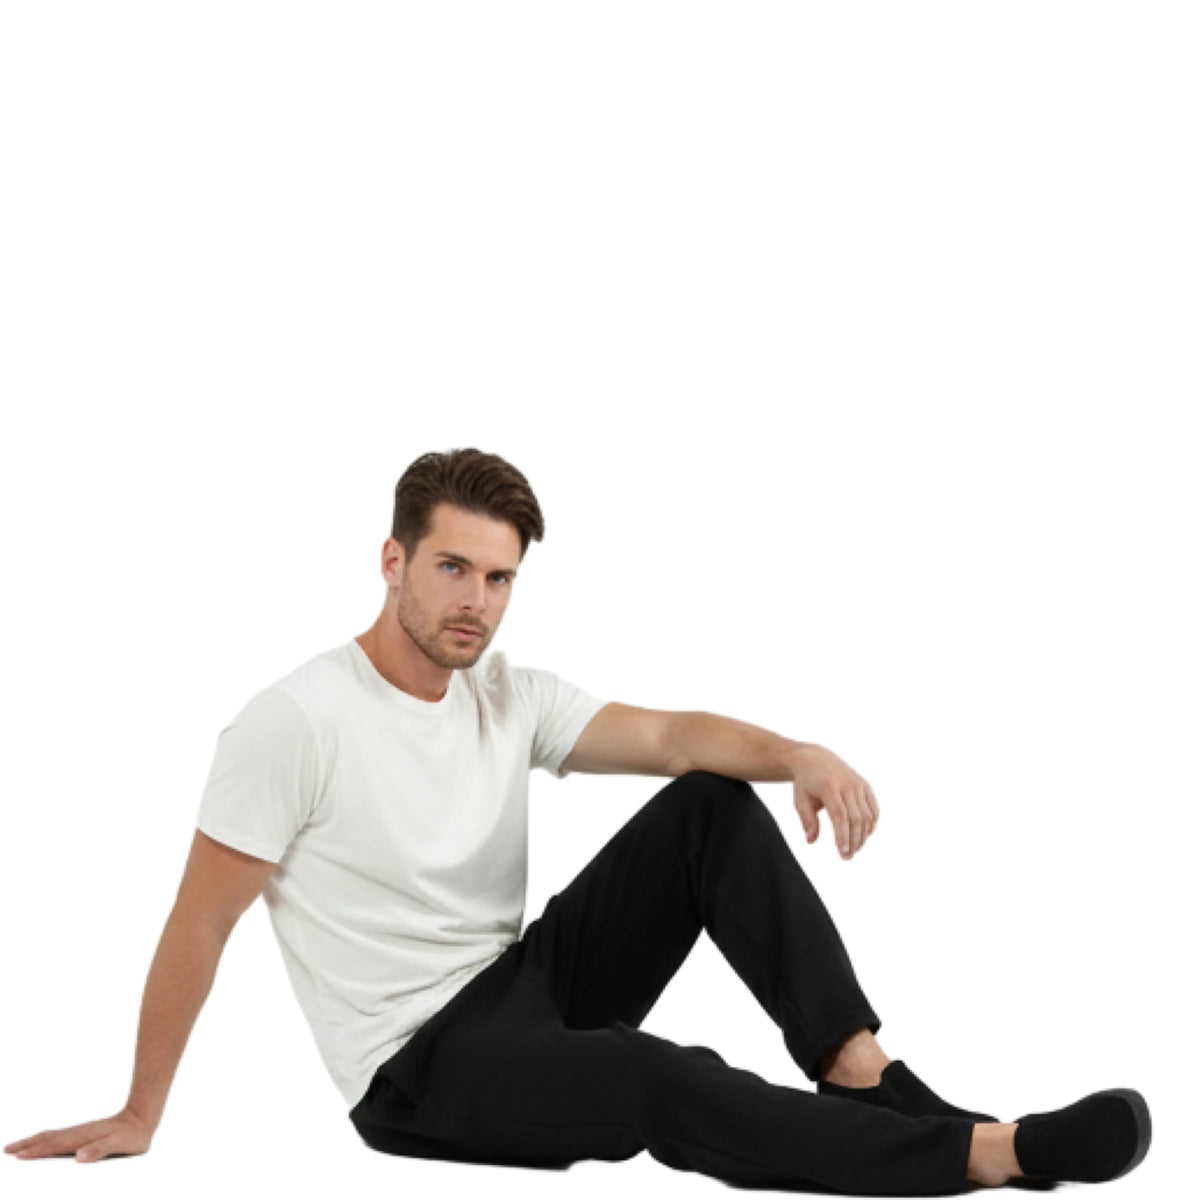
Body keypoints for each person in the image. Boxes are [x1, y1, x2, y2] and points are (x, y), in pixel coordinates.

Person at [5, 448, 1151, 1192]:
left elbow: (672, 740)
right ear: (394, 558)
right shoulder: (296, 721)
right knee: (653, 1077)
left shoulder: (506, 694)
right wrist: (141, 1111)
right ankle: (986, 1155)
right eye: (453, 569)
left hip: (517, 991)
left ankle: (857, 1067)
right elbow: (199, 922)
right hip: (417, 1070)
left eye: (499, 579)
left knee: (709, 804)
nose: (474, 604)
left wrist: (798, 751)